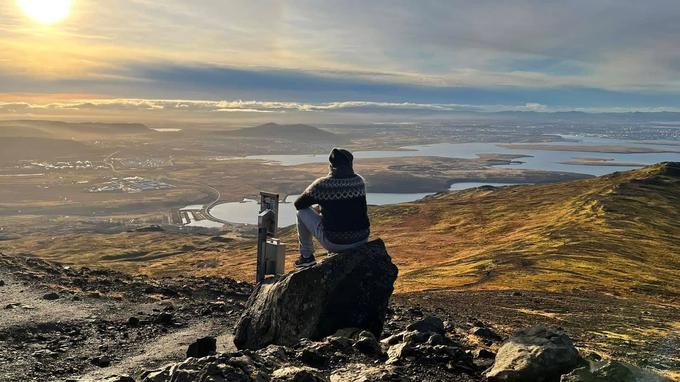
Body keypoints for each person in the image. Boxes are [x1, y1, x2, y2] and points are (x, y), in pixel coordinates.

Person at [293, 148, 370, 267]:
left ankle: (306, 256)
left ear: (331, 165)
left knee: (301, 212)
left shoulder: (323, 184)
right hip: (362, 239)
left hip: (336, 242)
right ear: (350, 163)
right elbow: (348, 207)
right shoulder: (359, 181)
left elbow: (299, 204)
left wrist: (319, 207)